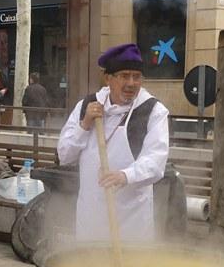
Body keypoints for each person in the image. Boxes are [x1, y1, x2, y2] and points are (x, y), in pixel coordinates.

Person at [57, 43, 170, 242]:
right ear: (108, 78)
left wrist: (124, 176)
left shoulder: (152, 110)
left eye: (137, 77)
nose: (132, 83)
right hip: (91, 218)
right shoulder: (87, 105)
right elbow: (65, 155)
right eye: (124, 75)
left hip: (132, 221)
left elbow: (155, 162)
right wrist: (84, 125)